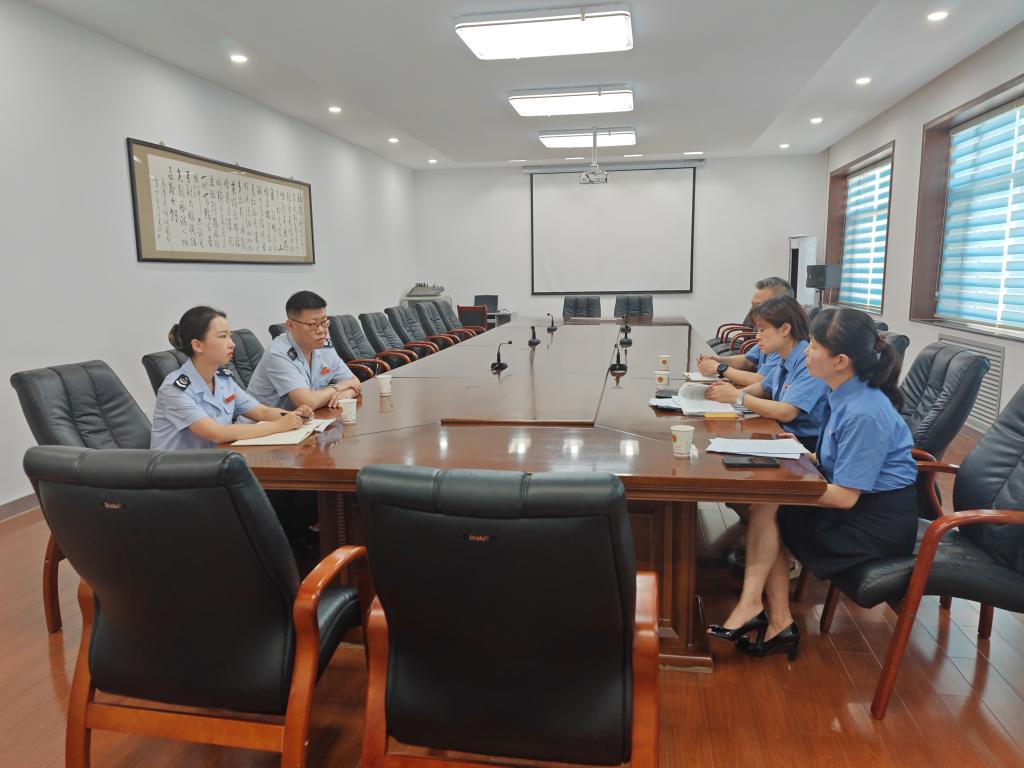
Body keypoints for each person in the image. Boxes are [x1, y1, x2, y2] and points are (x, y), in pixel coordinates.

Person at [705, 307, 917, 661]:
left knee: (769, 507)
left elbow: (845, 497)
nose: (806, 351)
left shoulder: (865, 411)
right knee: (765, 508)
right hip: (855, 506)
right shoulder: (844, 392)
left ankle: (764, 612)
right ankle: (772, 618)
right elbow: (838, 460)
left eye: (816, 346)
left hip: (873, 526)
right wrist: (803, 455)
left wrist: (785, 485)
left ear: (841, 361)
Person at [151, 306, 313, 450]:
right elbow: (217, 433)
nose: (232, 344)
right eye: (222, 337)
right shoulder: (174, 389)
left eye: (230, 336)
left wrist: (294, 417)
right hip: (179, 471)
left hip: (216, 462)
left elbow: (261, 411)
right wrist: (279, 425)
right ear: (198, 345)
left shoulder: (223, 379)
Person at [705, 296, 828, 452]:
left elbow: (786, 412)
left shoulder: (807, 360)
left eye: (762, 330)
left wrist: (738, 397)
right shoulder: (785, 355)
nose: (757, 336)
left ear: (785, 329)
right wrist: (727, 394)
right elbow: (764, 387)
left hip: (802, 443)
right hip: (779, 431)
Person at [246, 290, 361, 410]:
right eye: (313, 324)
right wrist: (338, 387)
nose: (321, 330)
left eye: (324, 322)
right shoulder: (278, 353)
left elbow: (354, 382)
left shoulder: (323, 345)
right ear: (291, 325)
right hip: (265, 421)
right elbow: (308, 403)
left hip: (304, 417)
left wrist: (346, 394)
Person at [696, 276, 794, 387]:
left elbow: (761, 381)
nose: (752, 312)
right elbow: (748, 360)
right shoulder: (768, 333)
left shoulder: (785, 341)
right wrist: (719, 360)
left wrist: (720, 368)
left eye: (758, 306)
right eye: (752, 305)